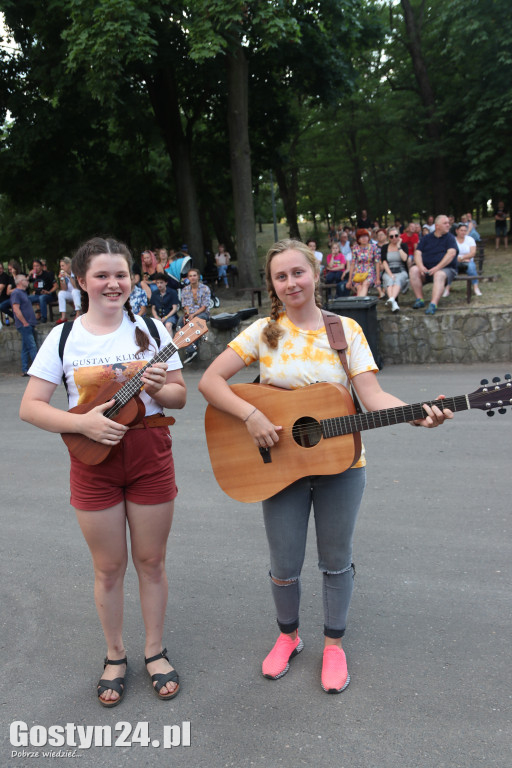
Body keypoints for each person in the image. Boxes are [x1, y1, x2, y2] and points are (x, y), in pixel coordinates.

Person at [198, 238, 452, 694]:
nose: (291, 282)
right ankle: (288, 637)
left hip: (343, 464)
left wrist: (417, 412)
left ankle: (333, 646)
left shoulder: (345, 331)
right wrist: (252, 415)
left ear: (314, 274)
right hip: (277, 464)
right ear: (273, 285)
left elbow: (372, 398)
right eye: (281, 276)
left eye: (298, 272)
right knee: (284, 562)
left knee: (336, 561)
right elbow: (211, 382)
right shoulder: (262, 332)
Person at [19, 236, 187, 707]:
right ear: (81, 281)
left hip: (150, 455)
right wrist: (81, 423)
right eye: (102, 275)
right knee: (109, 568)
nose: (113, 283)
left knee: (151, 563)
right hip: (92, 462)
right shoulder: (64, 337)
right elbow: (31, 408)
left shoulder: (153, 330)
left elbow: (178, 396)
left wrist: (161, 385)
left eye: (121, 274)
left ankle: (155, 650)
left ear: (132, 278)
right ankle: (116, 654)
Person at [409, 215, 458, 315]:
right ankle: (420, 299)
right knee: (413, 270)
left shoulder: (450, 238)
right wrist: (421, 266)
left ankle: (433, 304)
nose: (448, 225)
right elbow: (417, 253)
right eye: (445, 223)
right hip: (427, 269)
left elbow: (451, 254)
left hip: (445, 269)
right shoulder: (426, 238)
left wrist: (437, 268)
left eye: (448, 223)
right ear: (437, 226)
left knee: (438, 274)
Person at [178, 268, 210, 364]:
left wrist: (194, 315)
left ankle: (191, 351)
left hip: (202, 313)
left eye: (194, 275)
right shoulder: (185, 290)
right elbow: (185, 306)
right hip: (190, 313)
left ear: (198, 277)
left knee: (195, 322)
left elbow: (204, 306)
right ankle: (189, 350)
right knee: (180, 322)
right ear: (188, 278)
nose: (192, 278)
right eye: (190, 276)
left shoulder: (205, 288)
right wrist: (188, 315)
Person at [443, 223, 481, 297]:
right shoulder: (452, 240)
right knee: (449, 268)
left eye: (465, 230)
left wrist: (462, 258)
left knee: (471, 267)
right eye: (461, 230)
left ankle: (476, 288)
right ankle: (447, 288)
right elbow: (448, 253)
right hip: (454, 262)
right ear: (457, 231)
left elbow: (473, 253)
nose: (463, 232)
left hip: (467, 261)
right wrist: (457, 259)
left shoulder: (470, 239)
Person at [10, 274, 38, 374]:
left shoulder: (22, 293)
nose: (28, 281)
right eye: (26, 280)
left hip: (28, 324)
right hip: (25, 325)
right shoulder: (16, 293)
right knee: (32, 346)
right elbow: (16, 309)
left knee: (26, 348)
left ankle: (25, 369)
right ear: (20, 282)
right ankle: (37, 369)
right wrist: (24, 322)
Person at [380, 227, 409, 312]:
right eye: (391, 236)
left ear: (399, 236)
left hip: (401, 270)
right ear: (388, 238)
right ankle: (394, 303)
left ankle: (391, 299)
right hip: (389, 270)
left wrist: (399, 246)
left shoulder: (404, 246)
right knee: (389, 280)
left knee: (398, 279)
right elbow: (384, 262)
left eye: (396, 236)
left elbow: (405, 259)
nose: (394, 238)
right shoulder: (385, 247)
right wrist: (390, 274)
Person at [346, 229, 381, 298]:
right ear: (358, 239)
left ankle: (359, 304)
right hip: (358, 272)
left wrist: (378, 278)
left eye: (365, 236)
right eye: (361, 237)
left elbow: (377, 263)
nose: (364, 238)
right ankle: (360, 305)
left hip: (369, 271)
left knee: (365, 284)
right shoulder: (355, 249)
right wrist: (349, 280)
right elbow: (352, 264)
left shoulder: (374, 247)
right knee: (359, 287)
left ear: (368, 237)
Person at [56, 256, 81, 323]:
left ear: (68, 265)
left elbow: (76, 287)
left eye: (63, 266)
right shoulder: (64, 274)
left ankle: (78, 314)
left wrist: (69, 276)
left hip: (78, 292)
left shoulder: (76, 272)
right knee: (61, 293)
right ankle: (63, 316)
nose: (61, 268)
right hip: (70, 293)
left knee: (74, 291)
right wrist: (62, 279)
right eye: (61, 266)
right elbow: (64, 289)